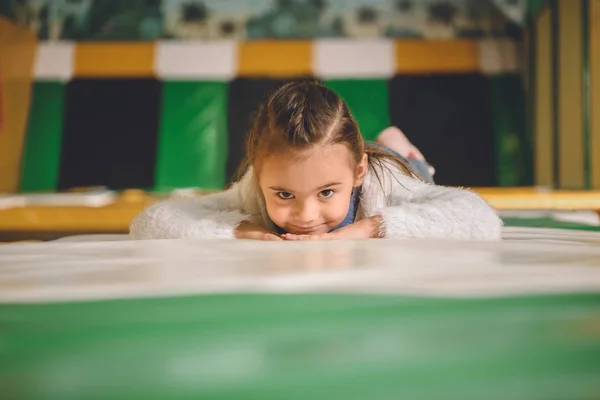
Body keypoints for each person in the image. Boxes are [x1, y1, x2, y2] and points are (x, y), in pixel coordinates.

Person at [130, 80, 502, 241]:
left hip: (392, 163)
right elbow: (150, 222)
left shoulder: (384, 182)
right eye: (285, 195)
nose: (306, 217)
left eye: (326, 193)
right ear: (260, 177)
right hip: (346, 159)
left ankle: (398, 144)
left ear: (356, 175)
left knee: (414, 167)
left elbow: (481, 217)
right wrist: (241, 230)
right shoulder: (253, 190)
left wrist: (368, 228)